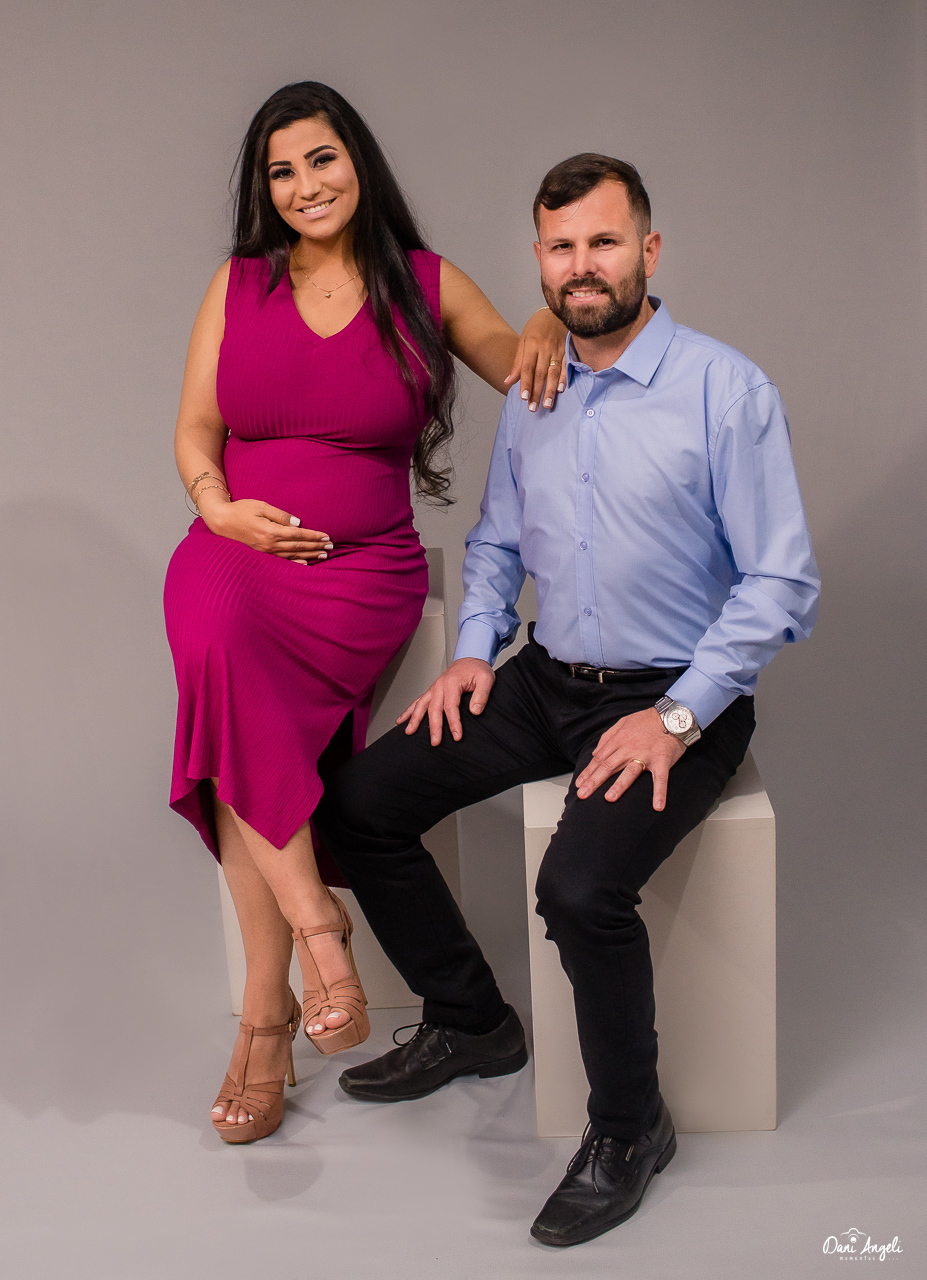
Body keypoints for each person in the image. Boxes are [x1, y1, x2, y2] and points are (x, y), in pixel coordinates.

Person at [315, 153, 820, 1247]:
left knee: (580, 888)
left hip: (677, 696)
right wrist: (475, 652)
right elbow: (498, 540)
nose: (581, 265)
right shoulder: (536, 390)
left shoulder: (725, 390)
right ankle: (470, 1019)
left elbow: (780, 583)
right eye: (560, 246)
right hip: (546, 679)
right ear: (538, 259)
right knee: (359, 801)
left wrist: (676, 718)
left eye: (602, 241)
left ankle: (630, 1128)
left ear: (649, 249)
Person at [163, 81, 567, 1145]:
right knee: (213, 633)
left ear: (358, 163)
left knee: (228, 714)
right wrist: (220, 508)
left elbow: (526, 366)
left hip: (362, 572)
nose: (304, 185)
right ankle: (317, 932)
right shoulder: (238, 284)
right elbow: (195, 430)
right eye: (281, 171)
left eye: (321, 159)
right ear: (264, 189)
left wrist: (540, 315)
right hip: (234, 552)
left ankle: (268, 1021)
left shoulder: (423, 283)